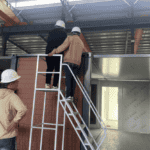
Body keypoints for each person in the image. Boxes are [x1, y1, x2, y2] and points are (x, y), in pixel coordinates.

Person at [48, 27, 89, 110]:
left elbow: (63, 47)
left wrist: (54, 51)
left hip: (68, 62)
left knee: (68, 79)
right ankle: (71, 96)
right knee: (73, 80)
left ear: (72, 32)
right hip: (77, 64)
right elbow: (84, 52)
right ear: (79, 33)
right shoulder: (81, 42)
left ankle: (68, 96)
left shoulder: (70, 38)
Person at [0, 69, 27, 150]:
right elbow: (22, 109)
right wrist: (15, 121)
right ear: (11, 84)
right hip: (7, 136)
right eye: (16, 81)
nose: (18, 83)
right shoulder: (12, 96)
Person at [45, 20, 67, 89]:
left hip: (49, 53)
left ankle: (47, 84)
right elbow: (64, 45)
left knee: (49, 68)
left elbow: (48, 41)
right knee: (57, 69)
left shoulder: (51, 32)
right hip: (58, 54)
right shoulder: (64, 34)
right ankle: (55, 85)